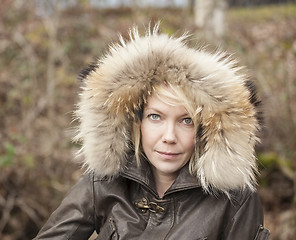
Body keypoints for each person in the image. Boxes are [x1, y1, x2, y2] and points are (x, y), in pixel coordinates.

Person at [34, 24, 270, 240]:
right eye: (155, 117)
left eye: (186, 121)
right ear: (137, 123)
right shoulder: (104, 183)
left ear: (205, 130)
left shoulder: (235, 201)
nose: (169, 137)